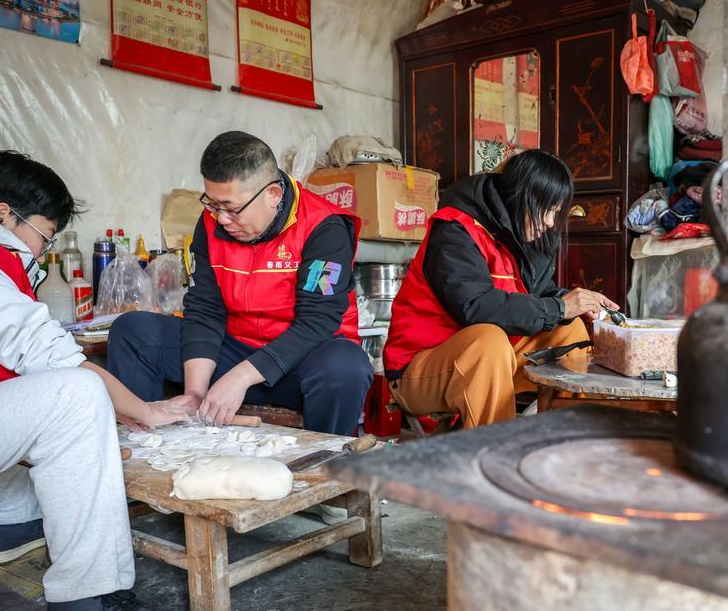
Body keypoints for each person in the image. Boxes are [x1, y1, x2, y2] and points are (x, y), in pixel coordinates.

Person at [0, 151, 185, 611]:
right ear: (3, 215)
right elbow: (58, 362)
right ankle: (86, 598)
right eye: (44, 236)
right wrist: (147, 410)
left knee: (20, 387)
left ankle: (10, 527)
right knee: (74, 395)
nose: (43, 252)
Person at [108, 131, 372, 436]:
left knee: (345, 368)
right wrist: (196, 392)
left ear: (273, 195)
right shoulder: (211, 223)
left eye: (231, 208)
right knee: (133, 331)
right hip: (233, 352)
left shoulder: (323, 228)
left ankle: (327, 460)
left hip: (299, 363)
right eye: (213, 204)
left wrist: (241, 377)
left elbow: (317, 322)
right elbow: (205, 308)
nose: (221, 218)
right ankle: (149, 446)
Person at [383, 149, 619, 429]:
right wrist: (559, 307)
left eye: (556, 212)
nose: (550, 222)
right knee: (488, 340)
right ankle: (497, 453)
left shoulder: (522, 235)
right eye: (546, 209)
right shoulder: (455, 230)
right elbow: (476, 307)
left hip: (495, 360)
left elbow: (539, 296)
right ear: (520, 197)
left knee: (570, 331)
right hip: (419, 369)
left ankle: (565, 440)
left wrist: (573, 303)